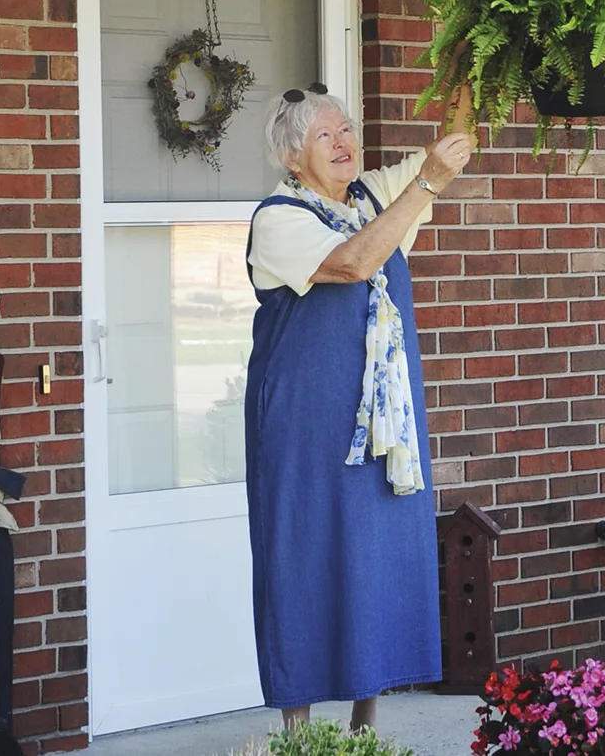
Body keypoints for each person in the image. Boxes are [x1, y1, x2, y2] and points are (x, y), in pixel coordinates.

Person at [244, 81, 474, 731]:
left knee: (376, 557)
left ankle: (363, 728)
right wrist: (424, 186)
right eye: (325, 134)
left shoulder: (375, 194)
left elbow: (453, 148)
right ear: (295, 157)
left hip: (382, 424)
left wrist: (474, 62)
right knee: (305, 559)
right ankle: (299, 736)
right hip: (305, 427)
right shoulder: (278, 218)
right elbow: (351, 263)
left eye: (346, 128)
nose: (344, 142)